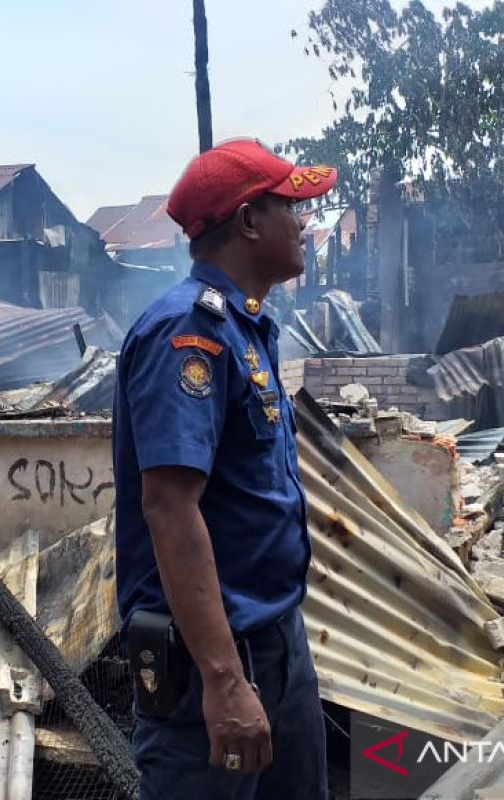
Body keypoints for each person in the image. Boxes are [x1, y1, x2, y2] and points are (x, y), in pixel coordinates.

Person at [112, 139, 335, 799]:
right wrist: (224, 681)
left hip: (276, 642)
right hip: (212, 662)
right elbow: (169, 506)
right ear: (247, 221)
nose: (304, 222)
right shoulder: (188, 334)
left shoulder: (245, 328)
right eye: (291, 205)